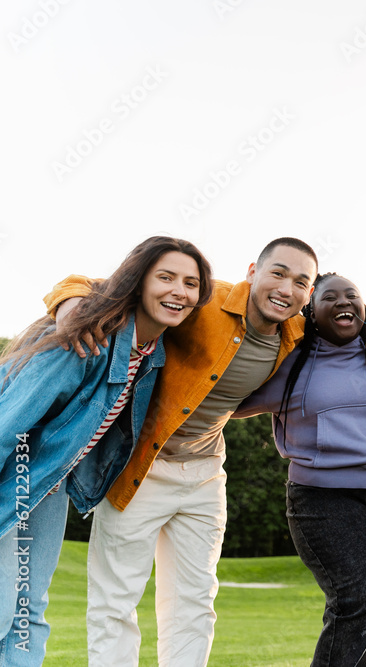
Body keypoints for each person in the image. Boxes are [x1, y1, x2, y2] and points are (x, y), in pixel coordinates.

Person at [43, 237, 317, 667]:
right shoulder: (203, 302)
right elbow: (77, 285)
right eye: (278, 273)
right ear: (253, 272)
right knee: (115, 601)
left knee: (194, 600)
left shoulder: (298, 333)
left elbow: (353, 329)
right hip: (139, 469)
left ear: (310, 294)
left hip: (206, 473)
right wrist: (68, 314)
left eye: (301, 281)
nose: (286, 287)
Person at [0, 236, 213, 666]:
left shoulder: (151, 354)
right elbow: (8, 423)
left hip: (46, 486)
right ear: (138, 283)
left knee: (28, 611)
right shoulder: (83, 338)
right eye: (166, 277)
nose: (179, 291)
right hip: (15, 476)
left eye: (191, 283)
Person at [235, 273, 366, 667]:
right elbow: (226, 399)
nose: (343, 302)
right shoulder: (289, 362)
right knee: (361, 603)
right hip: (323, 499)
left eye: (352, 295)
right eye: (329, 297)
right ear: (310, 311)